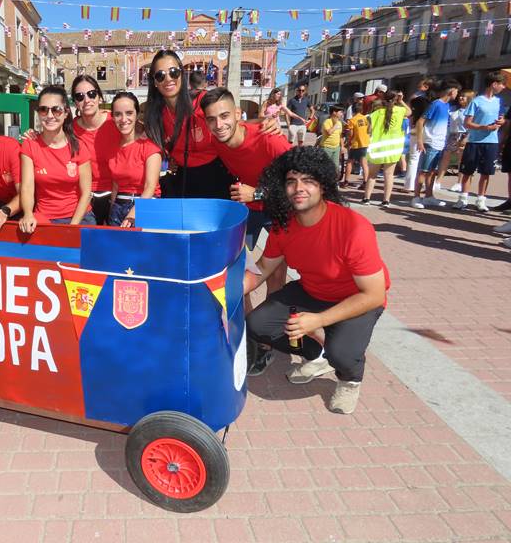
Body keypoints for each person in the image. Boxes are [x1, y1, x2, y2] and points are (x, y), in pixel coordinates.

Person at [245, 146, 389, 414]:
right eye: (291, 181)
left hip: (356, 298)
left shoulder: (354, 227)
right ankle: (316, 354)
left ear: (323, 185)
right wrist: (228, 289)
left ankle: (350, 379)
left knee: (343, 353)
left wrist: (319, 320)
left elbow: (374, 295)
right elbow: (264, 267)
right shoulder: (284, 224)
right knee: (257, 323)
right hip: (312, 291)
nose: (299, 187)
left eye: (308, 180)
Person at [201, 87, 292, 375]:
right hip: (248, 209)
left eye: (225, 116)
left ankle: (268, 339)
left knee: (276, 273)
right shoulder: (217, 142)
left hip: (279, 204)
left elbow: (301, 180)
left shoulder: (270, 140)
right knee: (239, 269)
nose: (219, 125)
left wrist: (259, 192)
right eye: (212, 119)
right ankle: (252, 332)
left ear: (238, 115)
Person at [143, 50, 234, 199]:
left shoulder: (203, 102)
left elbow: (234, 123)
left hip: (216, 177)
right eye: (160, 75)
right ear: (154, 82)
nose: (168, 79)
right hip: (182, 181)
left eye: (173, 72)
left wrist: (264, 122)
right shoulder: (155, 115)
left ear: (181, 74)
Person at [19, 86, 93, 233]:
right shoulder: (30, 145)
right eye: (43, 110)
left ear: (66, 113)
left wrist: (72, 227)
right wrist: (28, 214)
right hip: (45, 218)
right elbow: (27, 187)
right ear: (38, 113)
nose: (50, 115)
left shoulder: (79, 147)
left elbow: (86, 193)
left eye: (56, 109)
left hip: (79, 216)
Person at [106, 92, 162, 227]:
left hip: (145, 207)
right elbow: (115, 185)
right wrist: (110, 213)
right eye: (118, 114)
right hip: (119, 207)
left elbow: (150, 186)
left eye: (129, 113)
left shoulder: (149, 147)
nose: (123, 119)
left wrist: (133, 214)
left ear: (137, 114)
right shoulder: (113, 147)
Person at [454, 72, 506, 212]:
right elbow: (467, 122)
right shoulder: (477, 101)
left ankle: (481, 200)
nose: (503, 87)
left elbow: (502, 118)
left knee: (486, 172)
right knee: (467, 171)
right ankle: (462, 199)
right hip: (474, 142)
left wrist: (502, 121)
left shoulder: (499, 101)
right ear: (494, 84)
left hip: (492, 142)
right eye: (502, 84)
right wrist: (484, 127)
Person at [71, 76, 116, 225]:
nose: (87, 100)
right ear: (75, 102)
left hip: (115, 193)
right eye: (80, 96)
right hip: (84, 195)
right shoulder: (69, 129)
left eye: (91, 94)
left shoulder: (116, 121)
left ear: (99, 96)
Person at [411, 79, 460, 209]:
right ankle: (416, 197)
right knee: (423, 171)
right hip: (430, 142)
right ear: (451, 91)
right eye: (456, 91)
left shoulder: (446, 106)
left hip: (440, 143)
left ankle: (428, 196)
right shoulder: (436, 104)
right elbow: (421, 121)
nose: (457, 94)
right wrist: (420, 141)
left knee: (432, 172)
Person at [362, 90, 411, 207]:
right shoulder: (400, 111)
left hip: (377, 148)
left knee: (372, 175)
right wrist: (401, 100)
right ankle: (386, 201)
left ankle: (366, 198)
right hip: (393, 149)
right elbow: (409, 112)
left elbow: (368, 126)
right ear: (396, 99)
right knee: (389, 176)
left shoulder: (377, 112)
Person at [438, 90, 473, 193]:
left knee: (461, 160)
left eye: (464, 97)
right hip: (453, 134)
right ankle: (438, 181)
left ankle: (459, 183)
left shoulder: (470, 111)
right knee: (446, 157)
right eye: (460, 96)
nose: (461, 98)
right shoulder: (453, 109)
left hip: (464, 135)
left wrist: (466, 137)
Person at [405, 78, 434, 191]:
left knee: (414, 157)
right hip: (430, 130)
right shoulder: (434, 101)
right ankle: (423, 185)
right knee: (426, 159)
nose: (418, 89)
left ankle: (410, 185)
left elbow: (410, 113)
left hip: (417, 128)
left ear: (426, 87)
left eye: (420, 86)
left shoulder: (417, 99)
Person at [342, 101, 370, 188]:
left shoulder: (352, 120)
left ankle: (346, 181)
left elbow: (350, 133)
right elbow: (369, 130)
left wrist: (348, 142)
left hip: (356, 143)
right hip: (365, 142)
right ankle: (365, 182)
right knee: (364, 163)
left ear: (353, 110)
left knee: (350, 162)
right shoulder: (365, 118)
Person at [319, 104, 344, 172]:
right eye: (340, 112)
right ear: (334, 112)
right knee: (325, 166)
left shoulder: (340, 123)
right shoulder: (327, 121)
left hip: (336, 148)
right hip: (326, 148)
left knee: (335, 167)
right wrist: (336, 125)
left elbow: (340, 135)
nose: (342, 114)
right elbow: (329, 132)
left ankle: (333, 181)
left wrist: (342, 146)